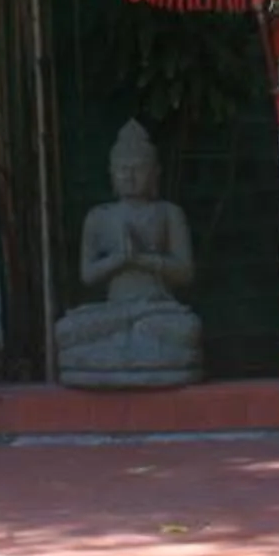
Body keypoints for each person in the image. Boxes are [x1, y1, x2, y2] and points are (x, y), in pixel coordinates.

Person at [54, 121, 202, 387]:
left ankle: (127, 342)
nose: (130, 176)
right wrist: (119, 259)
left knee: (188, 329)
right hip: (114, 309)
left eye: (138, 169)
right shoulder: (99, 217)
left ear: (155, 173)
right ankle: (137, 342)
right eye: (123, 170)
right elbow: (87, 275)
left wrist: (141, 259)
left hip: (157, 309)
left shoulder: (169, 213)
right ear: (111, 174)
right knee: (65, 330)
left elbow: (185, 272)